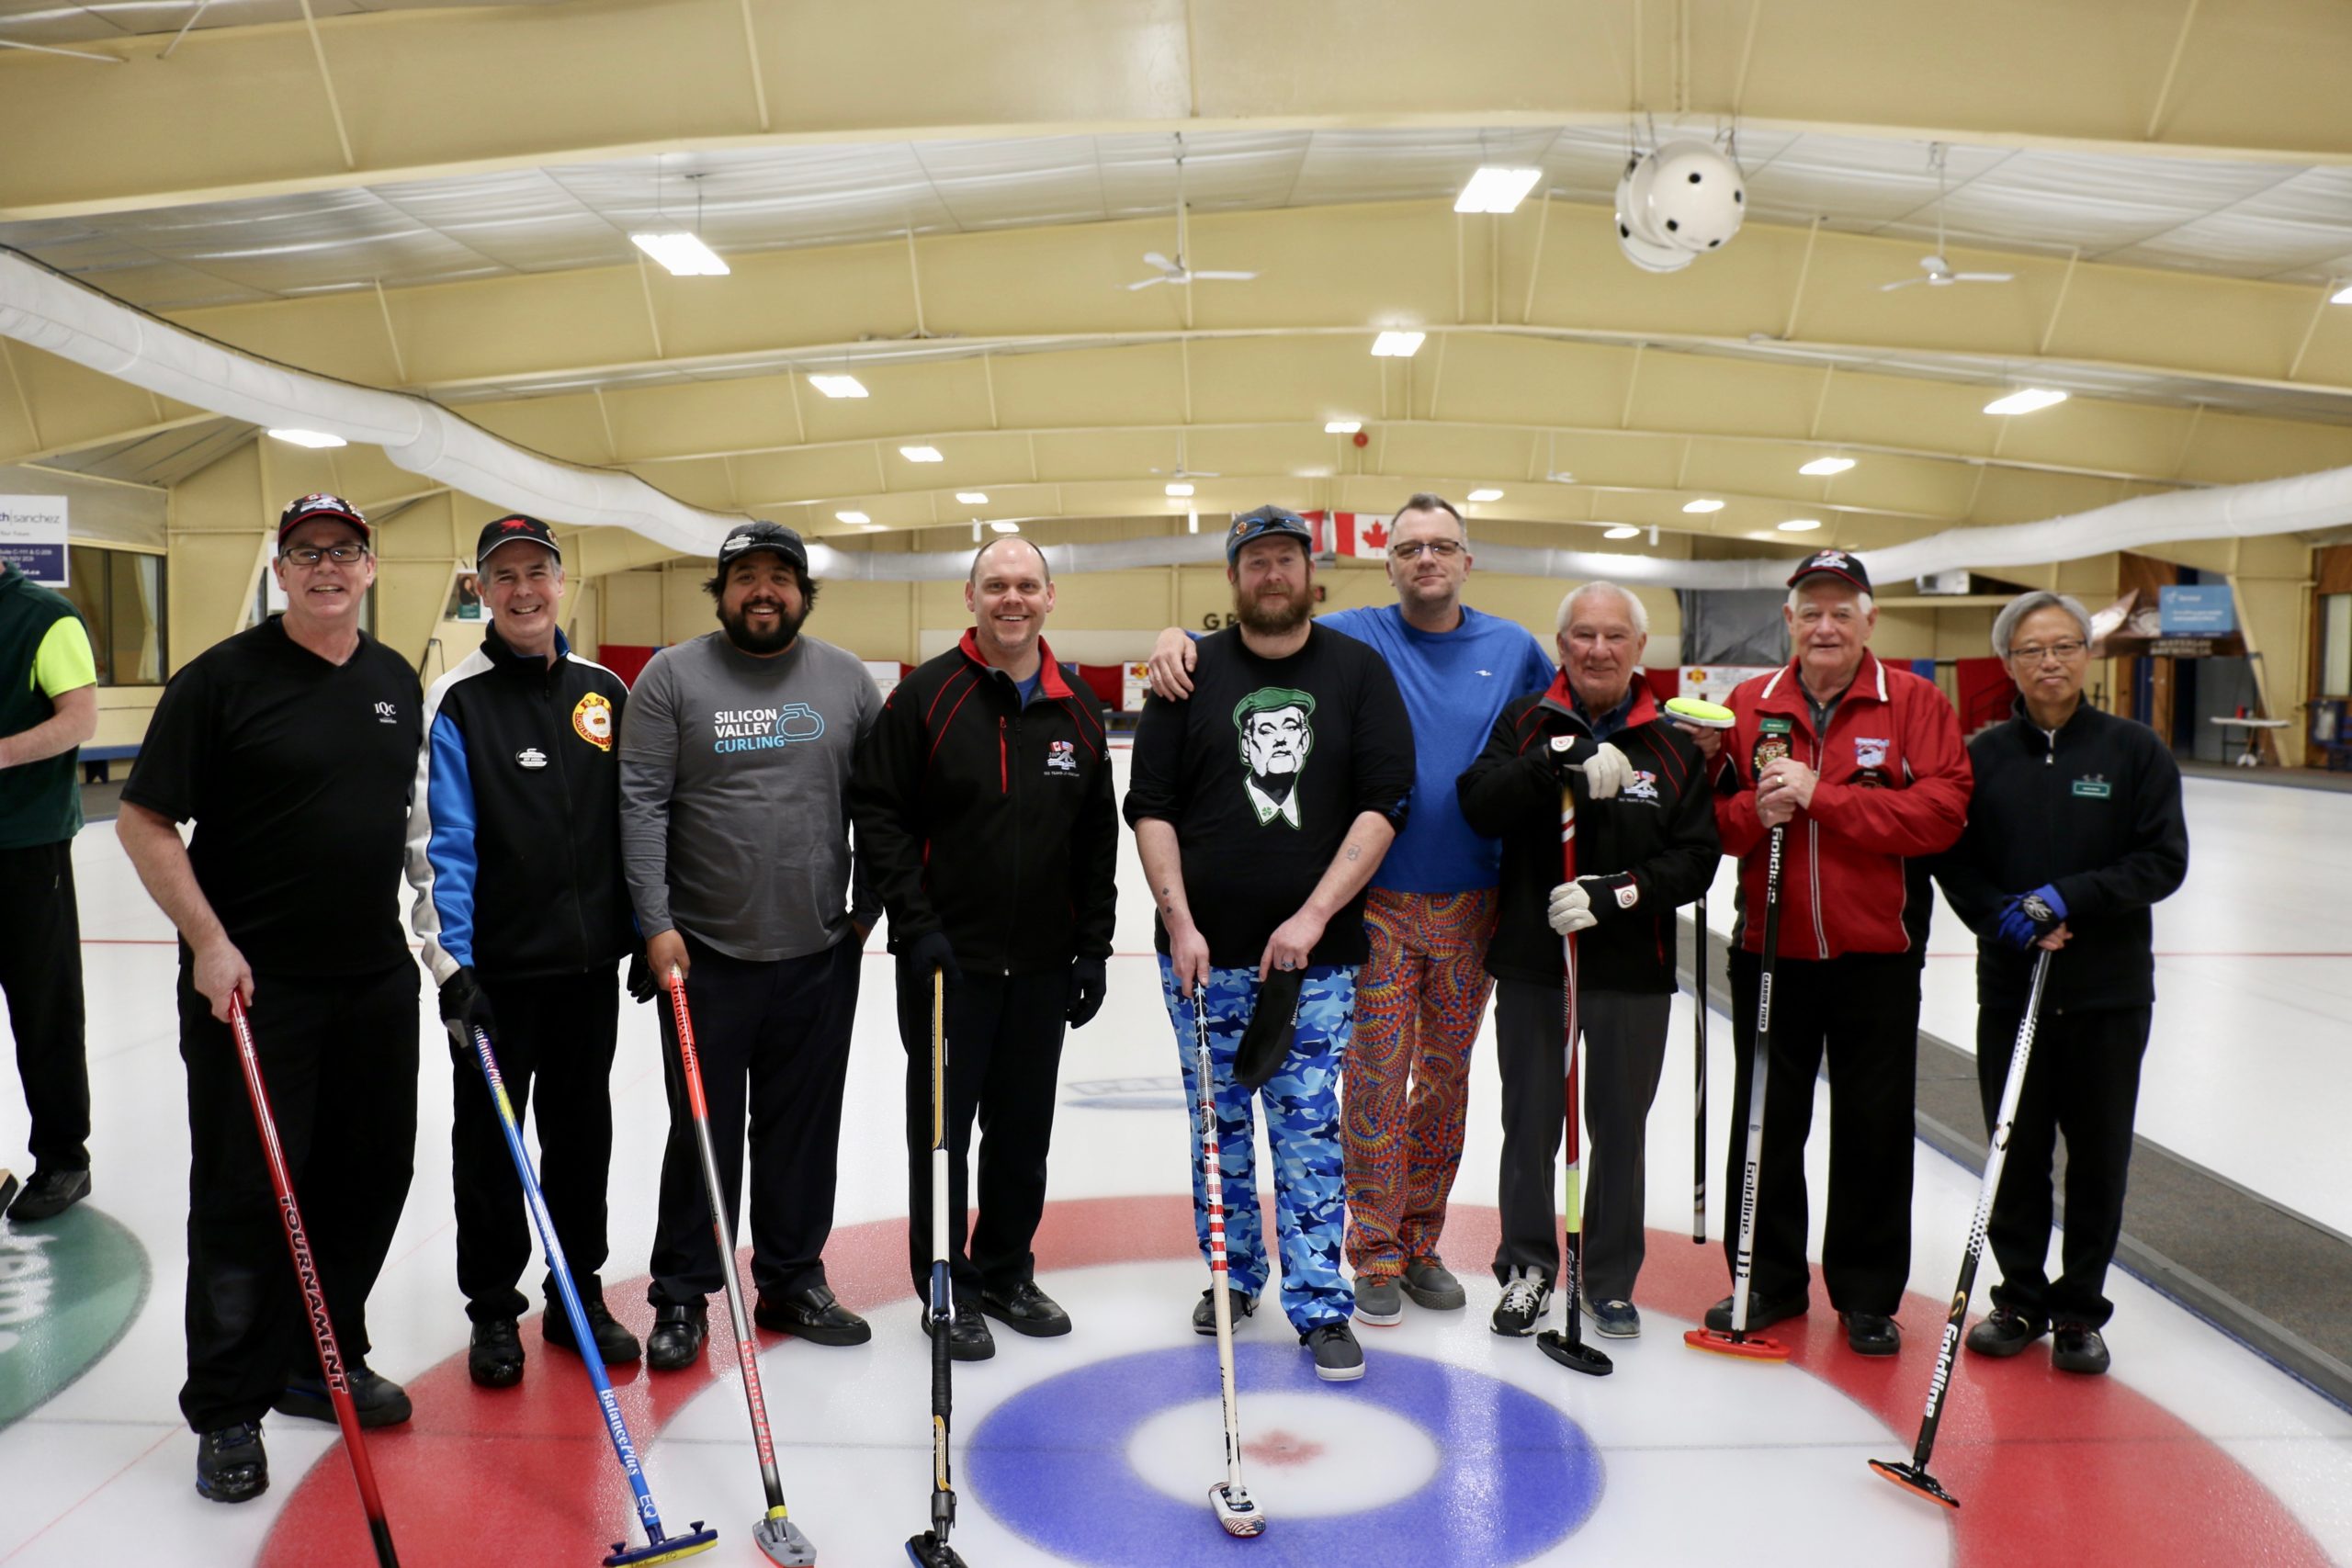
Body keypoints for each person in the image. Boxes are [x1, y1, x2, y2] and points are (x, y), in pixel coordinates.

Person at [1148, 494, 1552, 1325]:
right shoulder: (1355, 636)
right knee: (1368, 1084)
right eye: (1409, 548)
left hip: (1468, 901)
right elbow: (1258, 630)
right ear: (1387, 564)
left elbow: (1567, 712)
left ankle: (1419, 1239)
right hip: (1376, 906)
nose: (1426, 559)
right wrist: (1171, 634)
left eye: (1442, 546)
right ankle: (1371, 1250)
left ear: (1467, 559)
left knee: (1442, 1084)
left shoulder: (1512, 648)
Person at [116, 492, 423, 1504]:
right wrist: (208, 943)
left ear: (369, 568)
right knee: (248, 1196)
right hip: (253, 987)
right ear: (280, 571)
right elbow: (145, 821)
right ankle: (228, 1407)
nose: (326, 566)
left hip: (372, 979)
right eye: (306, 552)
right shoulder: (220, 681)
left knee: (366, 1178)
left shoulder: (394, 680)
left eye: (344, 550)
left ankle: (315, 1360)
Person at [1125, 505, 1415, 1382]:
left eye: (1287, 559)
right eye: (1257, 561)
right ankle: (1233, 1276)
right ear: (1234, 577)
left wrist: (1314, 916)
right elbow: (1150, 806)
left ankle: (1321, 1304)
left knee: (1307, 1129)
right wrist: (1180, 922)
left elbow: (1385, 803)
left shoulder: (1358, 672)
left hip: (1313, 963)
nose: (1274, 573)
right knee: (1217, 1130)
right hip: (1200, 959)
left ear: (1310, 574)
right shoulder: (1187, 674)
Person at [618, 520, 882, 1369]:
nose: (763, 591)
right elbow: (641, 803)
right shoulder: (671, 677)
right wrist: (656, 924)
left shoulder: (848, 680)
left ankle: (792, 1279)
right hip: (702, 955)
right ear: (721, 590)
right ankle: (683, 1292)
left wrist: (866, 912)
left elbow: (881, 804)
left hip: (818, 952)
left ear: (803, 592)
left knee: (802, 1129)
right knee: (702, 1130)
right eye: (745, 577)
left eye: (780, 576)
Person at [849, 536, 1118, 1360]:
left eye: (1027, 585)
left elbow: (1096, 839)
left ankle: (1005, 1272)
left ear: (1049, 598)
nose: (1012, 599)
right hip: (946, 963)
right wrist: (916, 923)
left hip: (1040, 965)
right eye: (996, 585)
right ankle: (947, 1286)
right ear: (970, 596)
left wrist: (1092, 946)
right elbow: (880, 815)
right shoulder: (925, 697)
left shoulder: (1078, 707)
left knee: (1023, 1134)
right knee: (941, 1135)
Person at [1704, 547, 1971, 1356]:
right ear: (1789, 620)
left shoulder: (1915, 702)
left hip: (1877, 956)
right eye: (1811, 611)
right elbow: (1712, 822)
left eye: (1841, 611)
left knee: (1874, 1129)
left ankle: (1866, 1294)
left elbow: (1942, 814)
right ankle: (1766, 1279)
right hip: (1770, 950)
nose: (1826, 625)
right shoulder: (1750, 703)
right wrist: (1757, 810)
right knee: (1765, 1121)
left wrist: (1824, 797)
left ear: (1869, 620)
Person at [405, 514, 643, 1389]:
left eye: (536, 572)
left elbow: (632, 821)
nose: (522, 590)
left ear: (560, 581)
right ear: (481, 591)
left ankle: (578, 1294)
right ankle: (494, 1309)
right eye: (502, 576)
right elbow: (439, 845)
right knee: (492, 1150)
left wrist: (640, 928)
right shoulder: (457, 701)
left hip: (586, 975)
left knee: (583, 1140)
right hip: (496, 980)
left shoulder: (602, 693)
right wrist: (452, 969)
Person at [1457, 581, 1719, 1339]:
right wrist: (1555, 759)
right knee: (1530, 1121)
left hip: (1632, 972)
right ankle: (1528, 1267)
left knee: (1620, 1129)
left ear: (1638, 648)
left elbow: (1697, 857)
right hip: (1536, 964)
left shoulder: (1671, 744)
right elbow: (1479, 801)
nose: (1598, 649)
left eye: (1614, 636)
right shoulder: (1525, 721)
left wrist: (1620, 892)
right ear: (1561, 644)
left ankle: (1607, 1280)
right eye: (1583, 634)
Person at [1935, 591, 2187, 1375]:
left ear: (2088, 654)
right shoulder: (1981, 757)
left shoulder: (2134, 749)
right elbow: (1953, 858)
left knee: (2099, 1156)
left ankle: (2080, 1309)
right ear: (2008, 662)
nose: (2050, 661)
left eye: (2065, 645)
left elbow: (2162, 860)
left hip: (2109, 992)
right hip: (2015, 990)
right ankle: (2019, 1297)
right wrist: (2003, 916)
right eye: (2033, 649)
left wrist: (2070, 896)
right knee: (2015, 1146)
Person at [0, 552, 97, 1223]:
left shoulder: (44, 617)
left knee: (44, 1010)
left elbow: (79, 718)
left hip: (26, 847)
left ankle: (64, 1159)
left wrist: (2, 751)